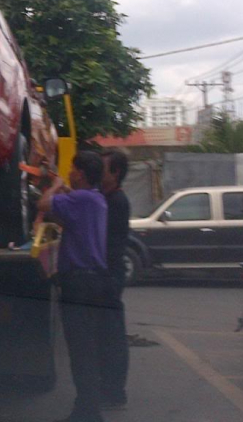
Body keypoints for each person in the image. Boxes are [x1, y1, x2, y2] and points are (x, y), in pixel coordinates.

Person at [39, 151, 112, 422]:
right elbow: (65, 211)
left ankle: (88, 413)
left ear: (80, 172)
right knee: (87, 348)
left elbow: (45, 204)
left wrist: (55, 186)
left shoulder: (80, 199)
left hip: (79, 282)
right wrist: (58, 179)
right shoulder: (95, 200)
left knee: (80, 350)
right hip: (93, 281)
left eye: (72, 169)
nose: (69, 172)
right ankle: (87, 409)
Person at [99, 150, 131, 409]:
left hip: (109, 275)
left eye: (103, 168)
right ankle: (111, 389)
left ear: (115, 173)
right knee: (109, 335)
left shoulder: (116, 201)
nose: (99, 173)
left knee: (112, 336)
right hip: (109, 274)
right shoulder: (108, 198)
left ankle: (115, 391)